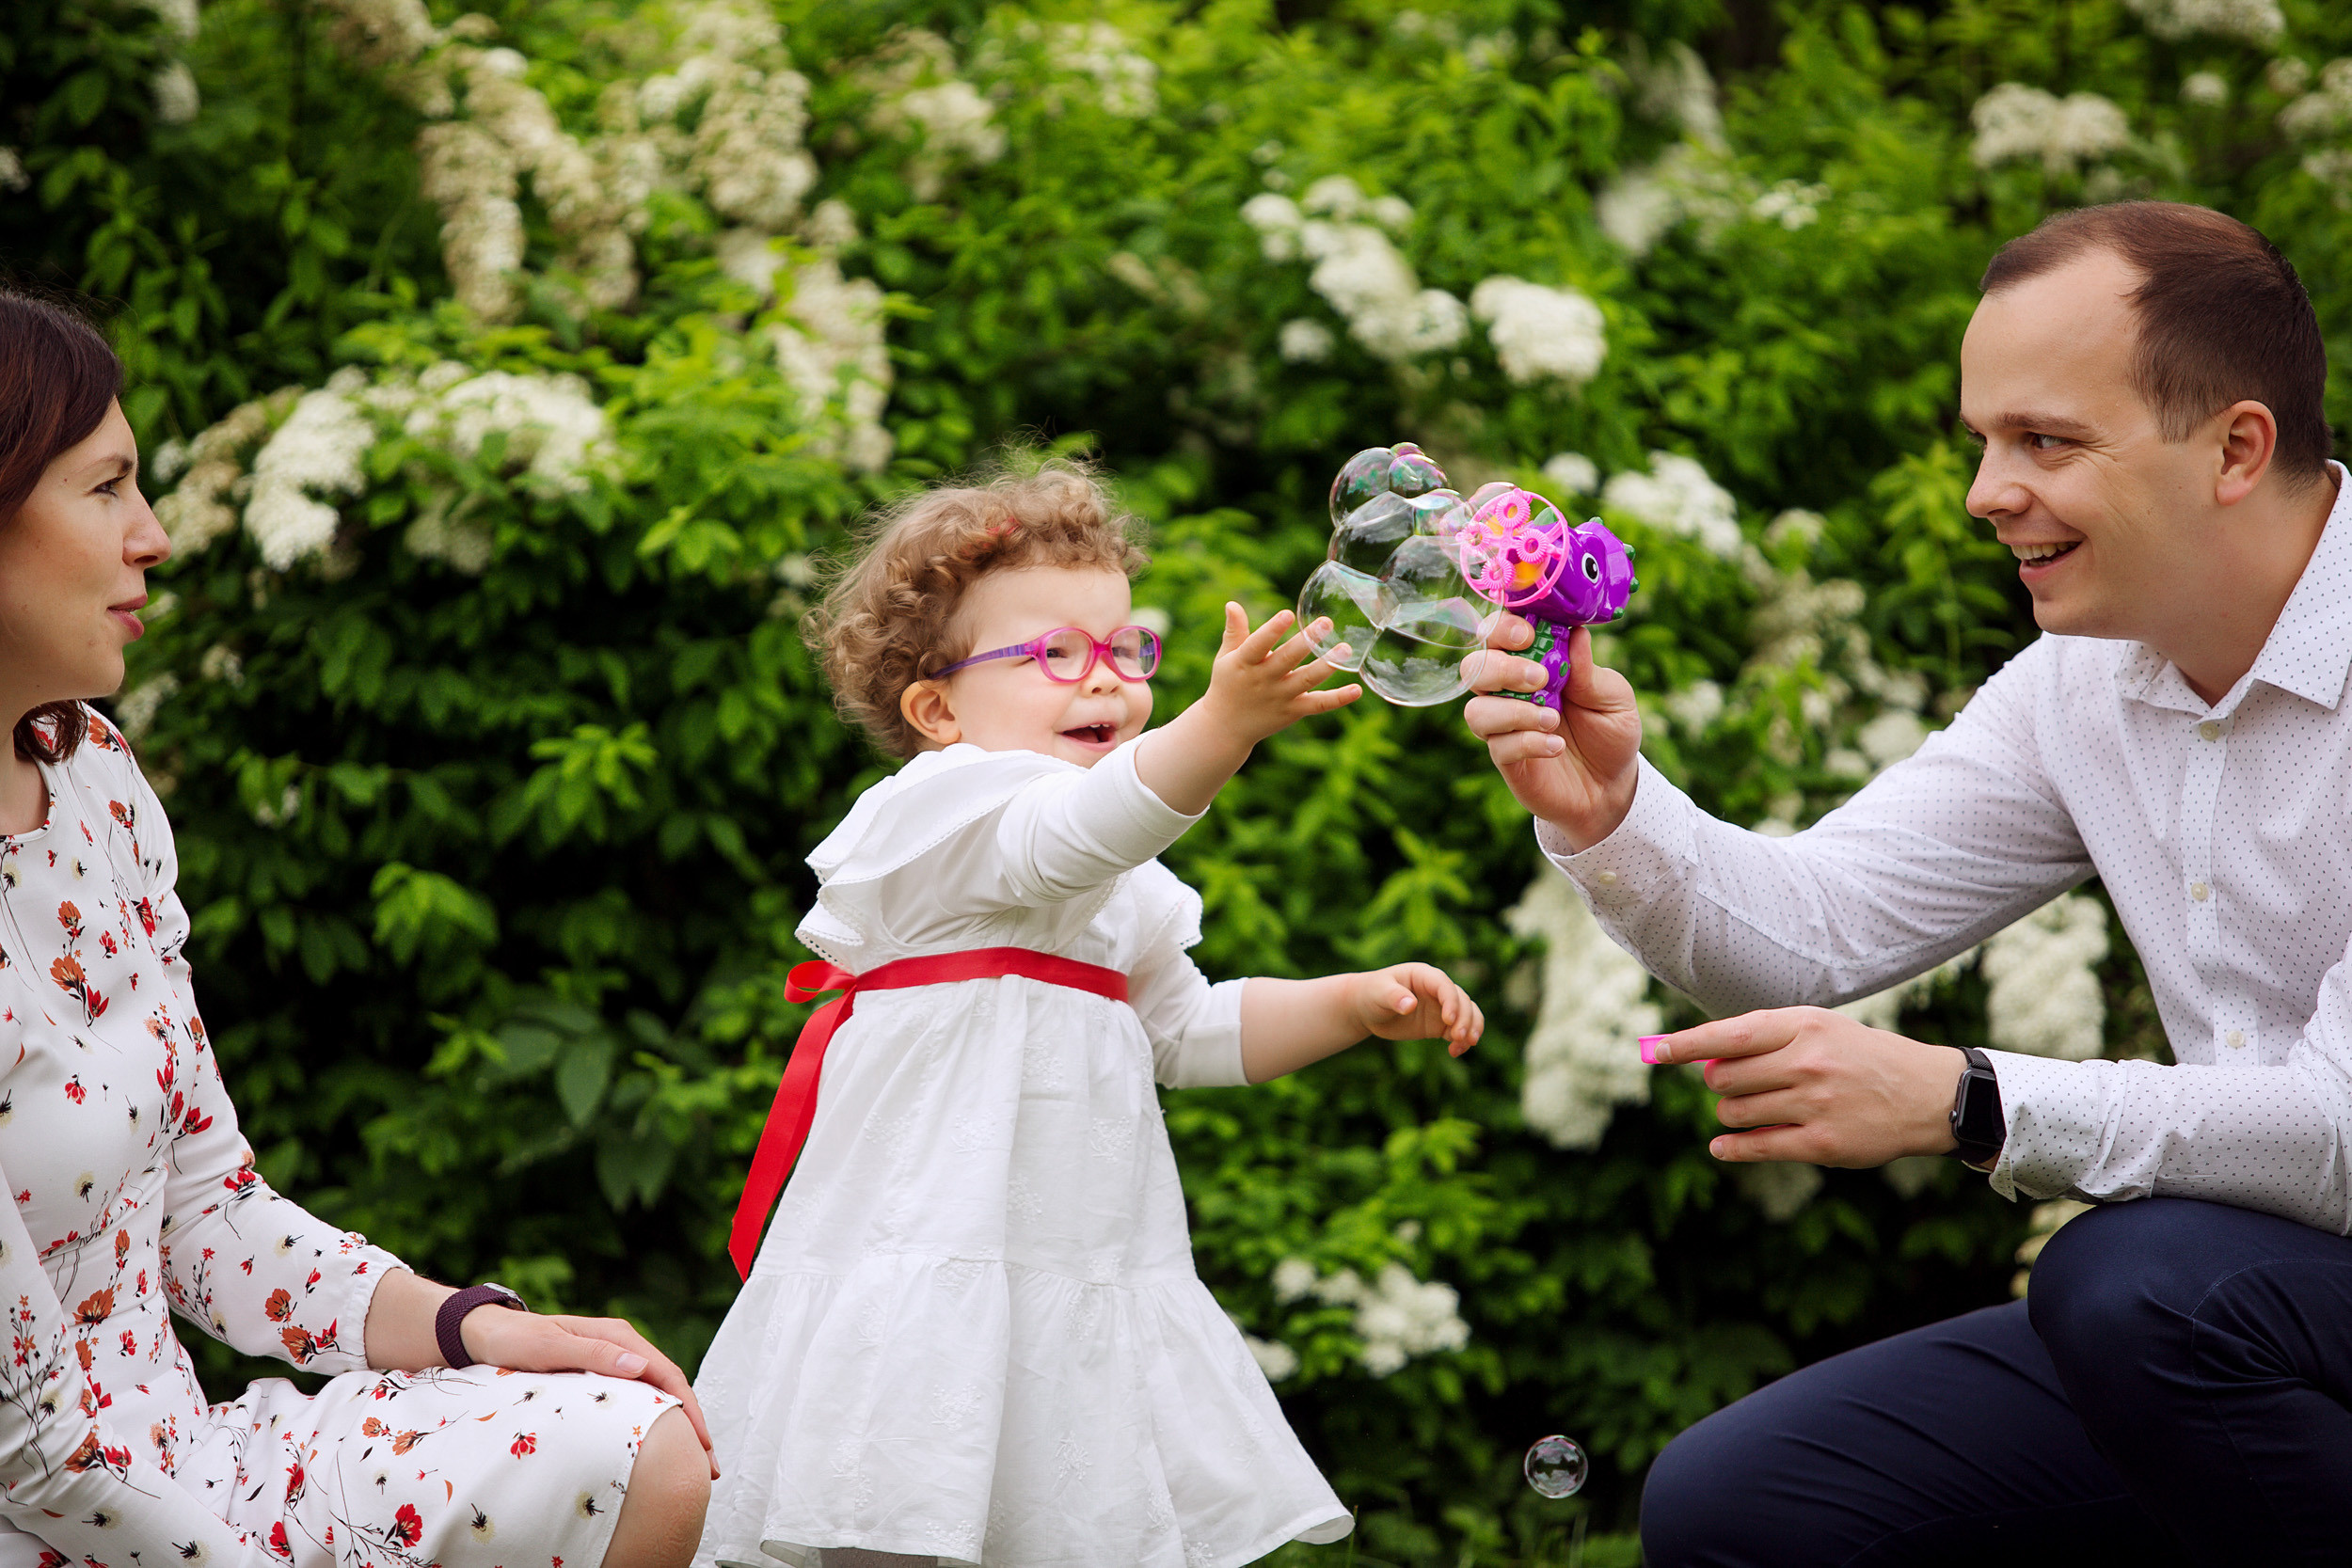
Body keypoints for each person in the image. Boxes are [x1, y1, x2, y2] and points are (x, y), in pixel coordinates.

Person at [1465, 200, 2352, 1563]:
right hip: (2236, 1306)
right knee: (1738, 1504)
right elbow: (1812, 930)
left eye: (2046, 440)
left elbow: (2340, 1130)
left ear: (2237, 446)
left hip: (2216, 1298)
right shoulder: (2079, 685)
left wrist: (1967, 1098)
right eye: (1985, 440)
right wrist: (1613, 812)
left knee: (2127, 1282)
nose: (1985, 491)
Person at [0, 292, 719, 1568]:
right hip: (53, 1516)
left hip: (191, 1456)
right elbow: (32, 1446)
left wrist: (474, 1325)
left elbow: (211, 1214)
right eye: (106, 486)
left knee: (636, 1443)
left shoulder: (95, 781)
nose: (153, 537)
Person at [691, 463, 1484, 1568]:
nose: (1103, 680)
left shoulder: (1121, 883)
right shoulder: (949, 806)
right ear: (936, 707)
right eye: (1055, 654)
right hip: (931, 1253)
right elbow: (1071, 834)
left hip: (1074, 1266)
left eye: (1123, 650)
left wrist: (1349, 1003)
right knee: (897, 1512)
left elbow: (1187, 1032)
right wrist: (1222, 727)